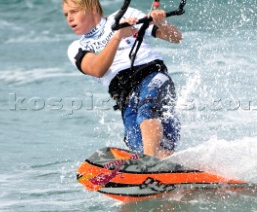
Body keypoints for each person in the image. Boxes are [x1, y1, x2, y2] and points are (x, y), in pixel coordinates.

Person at [62, 0, 182, 158]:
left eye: (74, 11)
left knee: (146, 113)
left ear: (91, 8)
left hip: (152, 77)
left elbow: (176, 37)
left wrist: (162, 24)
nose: (69, 18)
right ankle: (191, 174)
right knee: (141, 147)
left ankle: (151, 164)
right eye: (66, 14)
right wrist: (118, 37)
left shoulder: (126, 15)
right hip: (126, 98)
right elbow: (97, 69)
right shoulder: (77, 47)